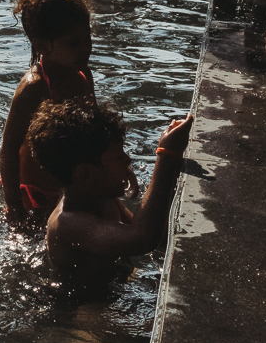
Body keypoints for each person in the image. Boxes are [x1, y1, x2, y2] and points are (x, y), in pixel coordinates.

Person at [29, 102, 194, 276]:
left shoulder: (101, 196)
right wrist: (167, 155)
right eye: (118, 157)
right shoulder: (68, 224)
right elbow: (143, 238)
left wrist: (174, 173)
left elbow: (154, 234)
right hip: (88, 301)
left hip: (117, 277)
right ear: (85, 173)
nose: (128, 161)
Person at [0, 0, 97, 225]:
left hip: (71, 185)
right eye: (74, 43)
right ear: (42, 46)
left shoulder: (83, 73)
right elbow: (9, 150)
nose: (86, 48)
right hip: (37, 192)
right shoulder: (34, 88)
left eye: (88, 37)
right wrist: (13, 204)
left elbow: (96, 129)